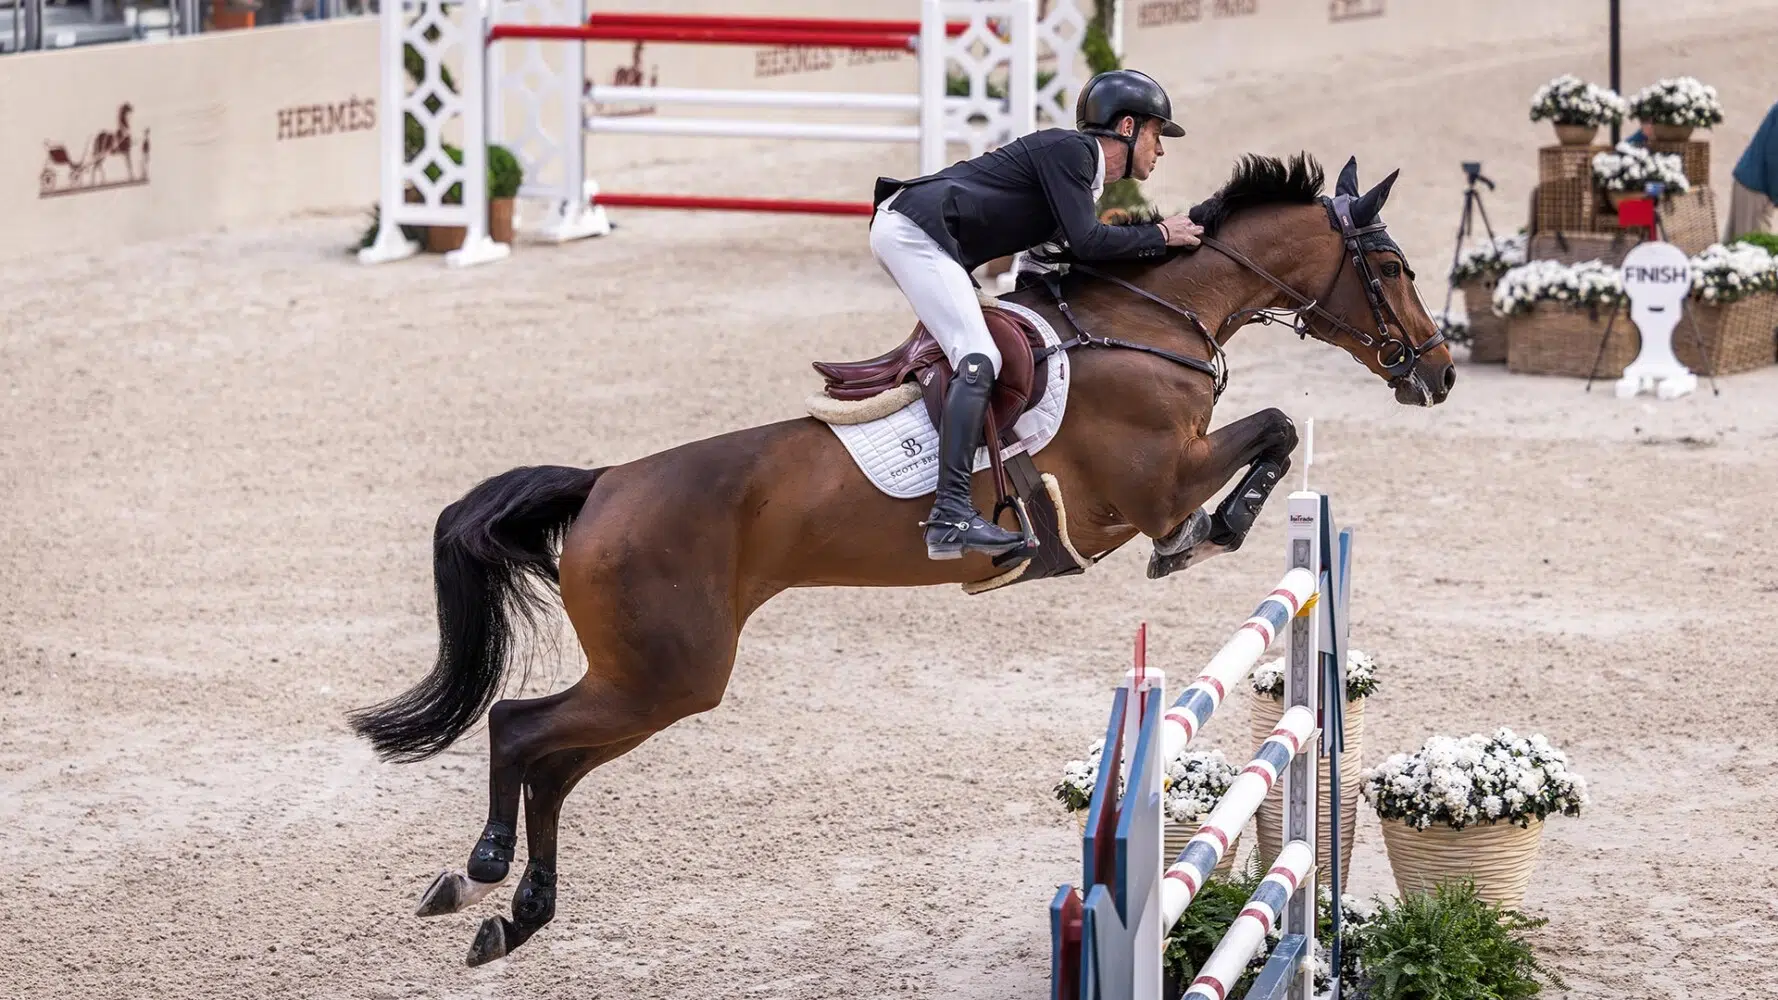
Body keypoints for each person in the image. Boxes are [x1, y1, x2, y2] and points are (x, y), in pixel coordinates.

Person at [867, 69, 1205, 561]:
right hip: (914, 231)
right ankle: (950, 516)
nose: (1162, 149)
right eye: (1157, 134)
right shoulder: (1071, 152)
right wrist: (1160, 235)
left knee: (993, 347)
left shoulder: (1078, 179)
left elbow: (1048, 260)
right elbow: (1089, 243)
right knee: (979, 358)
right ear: (1128, 128)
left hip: (928, 237)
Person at [1727, 98, 1778, 241]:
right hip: (1755, 188)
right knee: (1752, 250)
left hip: (1754, 185)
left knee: (1738, 245)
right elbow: (1775, 156)